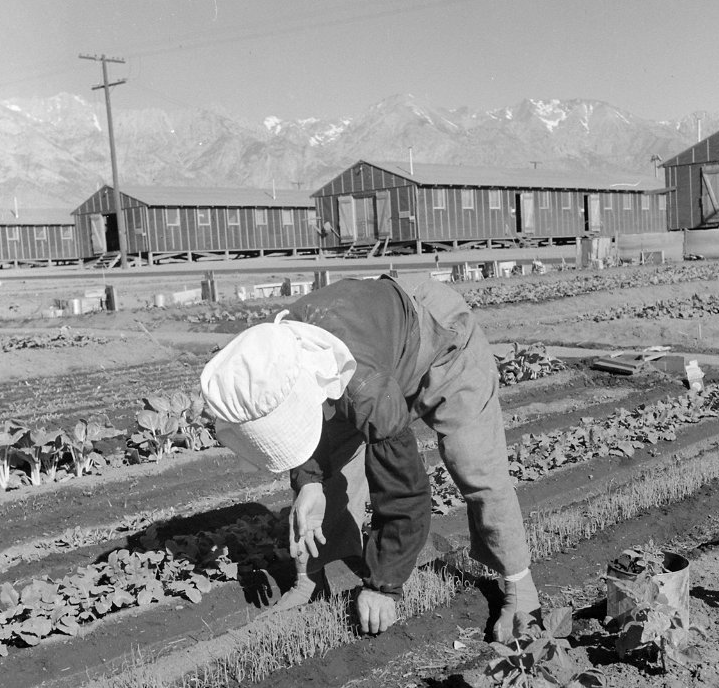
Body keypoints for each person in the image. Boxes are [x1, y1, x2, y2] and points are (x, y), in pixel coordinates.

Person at [199, 273, 539, 641]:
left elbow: (405, 492)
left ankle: (521, 589)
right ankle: (315, 575)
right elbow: (308, 420)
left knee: (476, 464)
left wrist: (384, 584)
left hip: (441, 338)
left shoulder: (362, 388)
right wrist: (309, 482)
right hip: (377, 343)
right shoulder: (279, 353)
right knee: (329, 467)